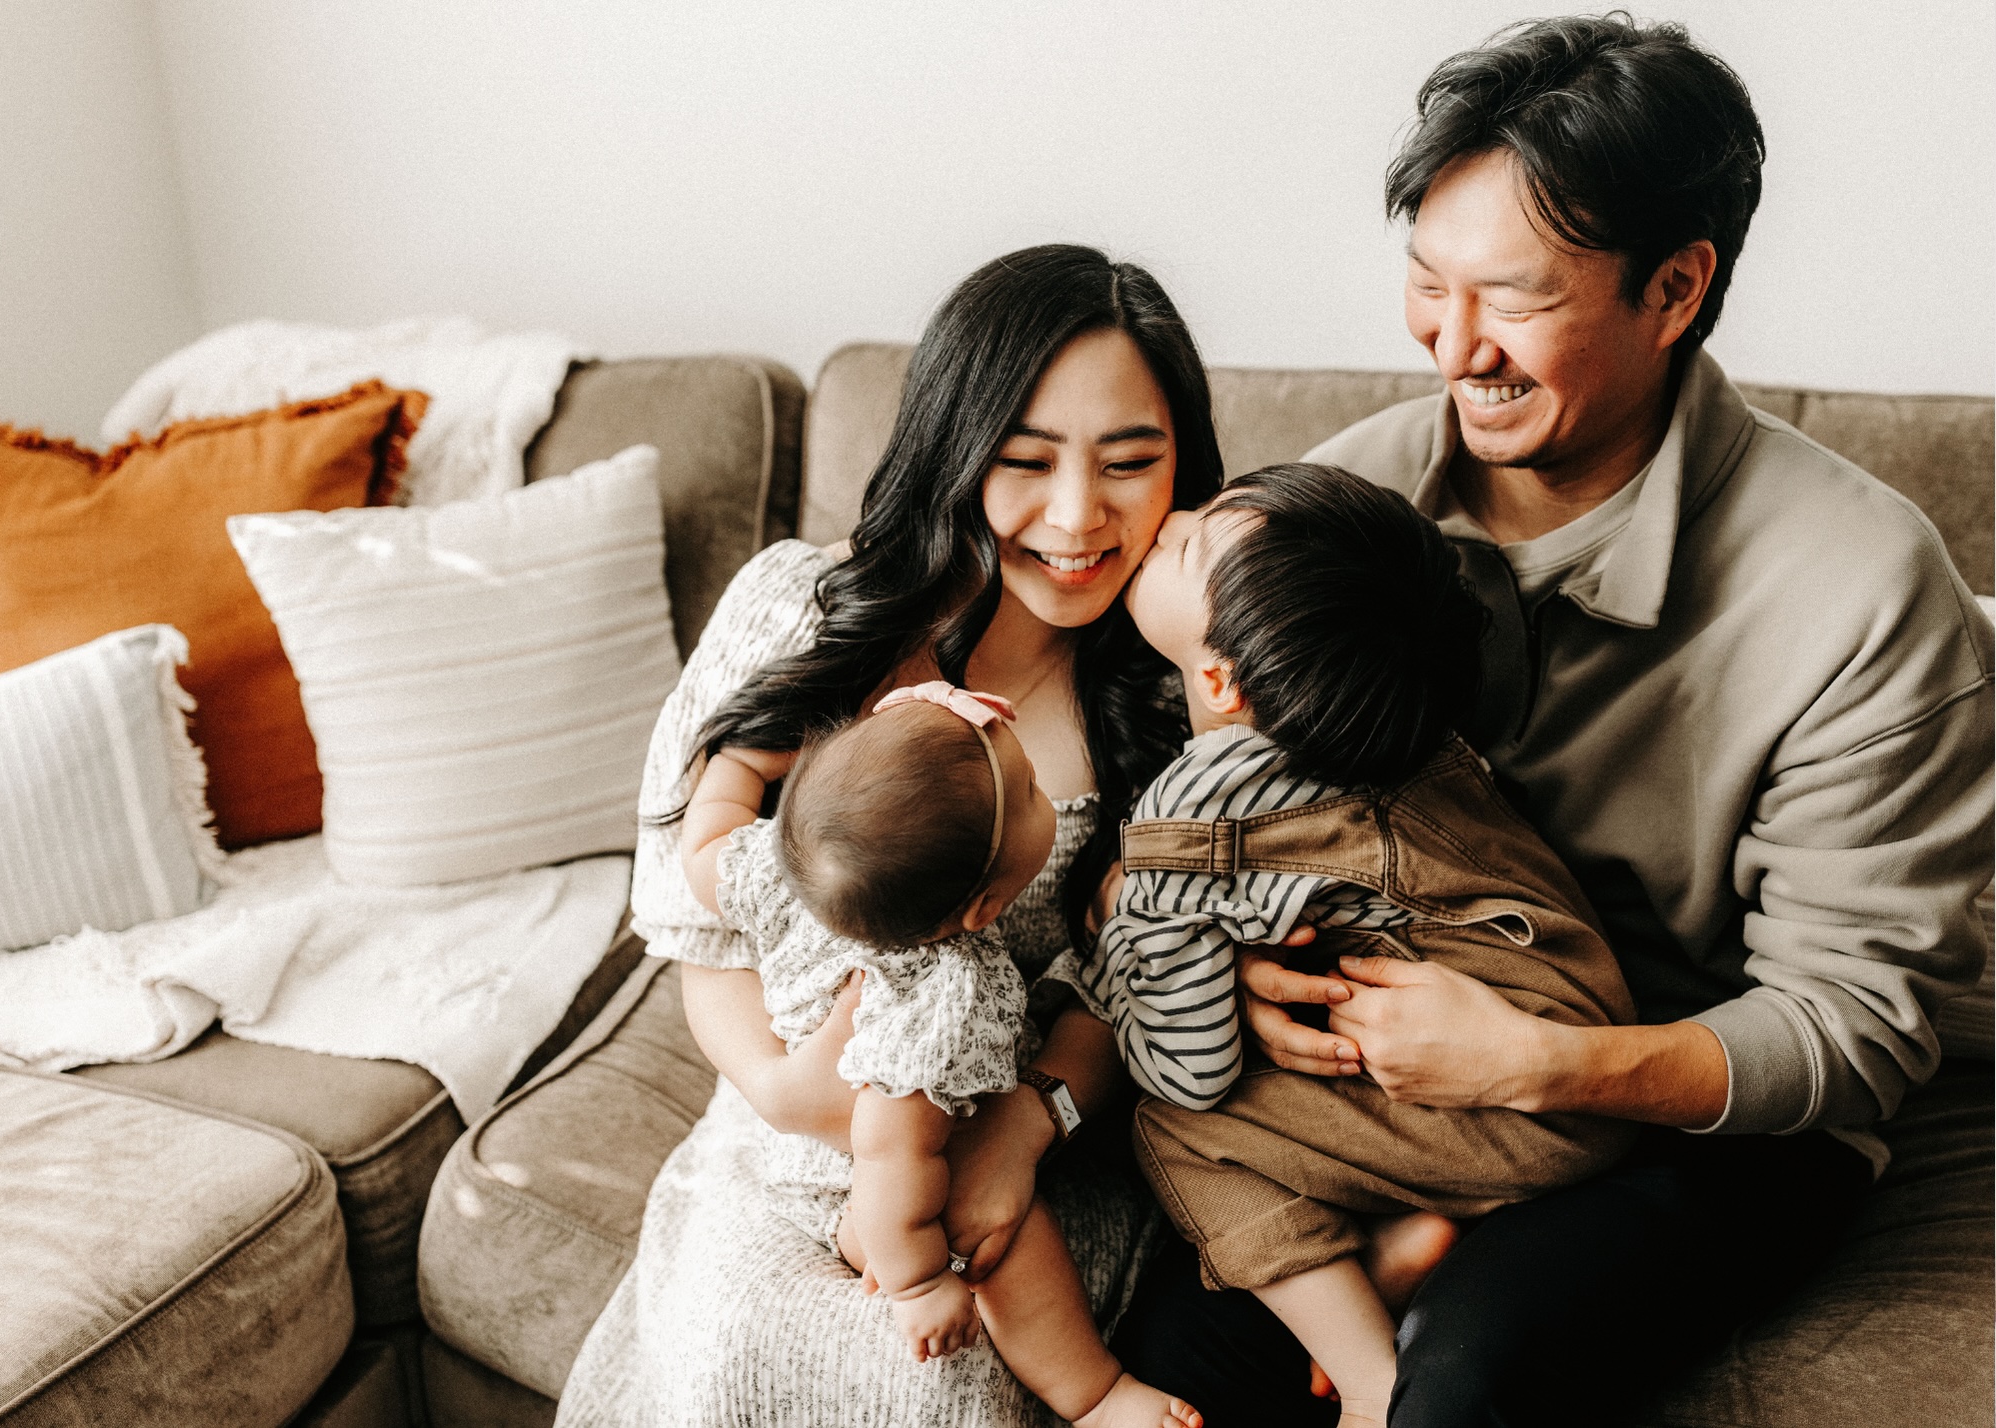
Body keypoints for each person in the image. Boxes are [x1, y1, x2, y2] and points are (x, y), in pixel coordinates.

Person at [1112, 16, 1994, 1426]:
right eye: (1424, 285)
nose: (1455, 348)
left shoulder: (1864, 589)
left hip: (1713, 1105)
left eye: (1512, 299)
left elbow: (1861, 1025)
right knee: (1167, 1359)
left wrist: (1541, 1061)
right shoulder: (1340, 510)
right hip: (1397, 1082)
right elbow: (1213, 803)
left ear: (1676, 287)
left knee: (1473, 1375)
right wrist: (1255, 984)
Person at [554, 242, 1224, 1427]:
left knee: (935, 1386)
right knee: (737, 1353)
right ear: (955, 454)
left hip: (1018, 1143)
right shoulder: (805, 612)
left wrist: (1022, 1129)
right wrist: (783, 1089)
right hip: (780, 1141)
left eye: (1131, 463)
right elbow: (690, 910)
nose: (1077, 516)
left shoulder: (1176, 685)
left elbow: (1141, 980)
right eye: (1024, 463)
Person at [1079, 464, 1635, 1427]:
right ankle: (1407, 1229)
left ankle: (1371, 1384)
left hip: (1521, 1104)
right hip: (1587, 1031)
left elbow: (1188, 1063)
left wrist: (1119, 945)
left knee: (1175, 1125)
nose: (1165, 519)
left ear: (1221, 679)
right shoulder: (1398, 717)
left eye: (1186, 544)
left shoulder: (1194, 809)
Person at [675, 682, 1200, 1427]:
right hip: (873, 1180)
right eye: (1027, 792)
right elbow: (892, 1152)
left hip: (818, 1155)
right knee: (1008, 1242)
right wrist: (920, 1279)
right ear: (984, 909)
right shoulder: (941, 997)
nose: (1042, 789)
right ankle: (1094, 1393)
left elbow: (703, 847)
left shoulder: (781, 868)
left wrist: (739, 767)